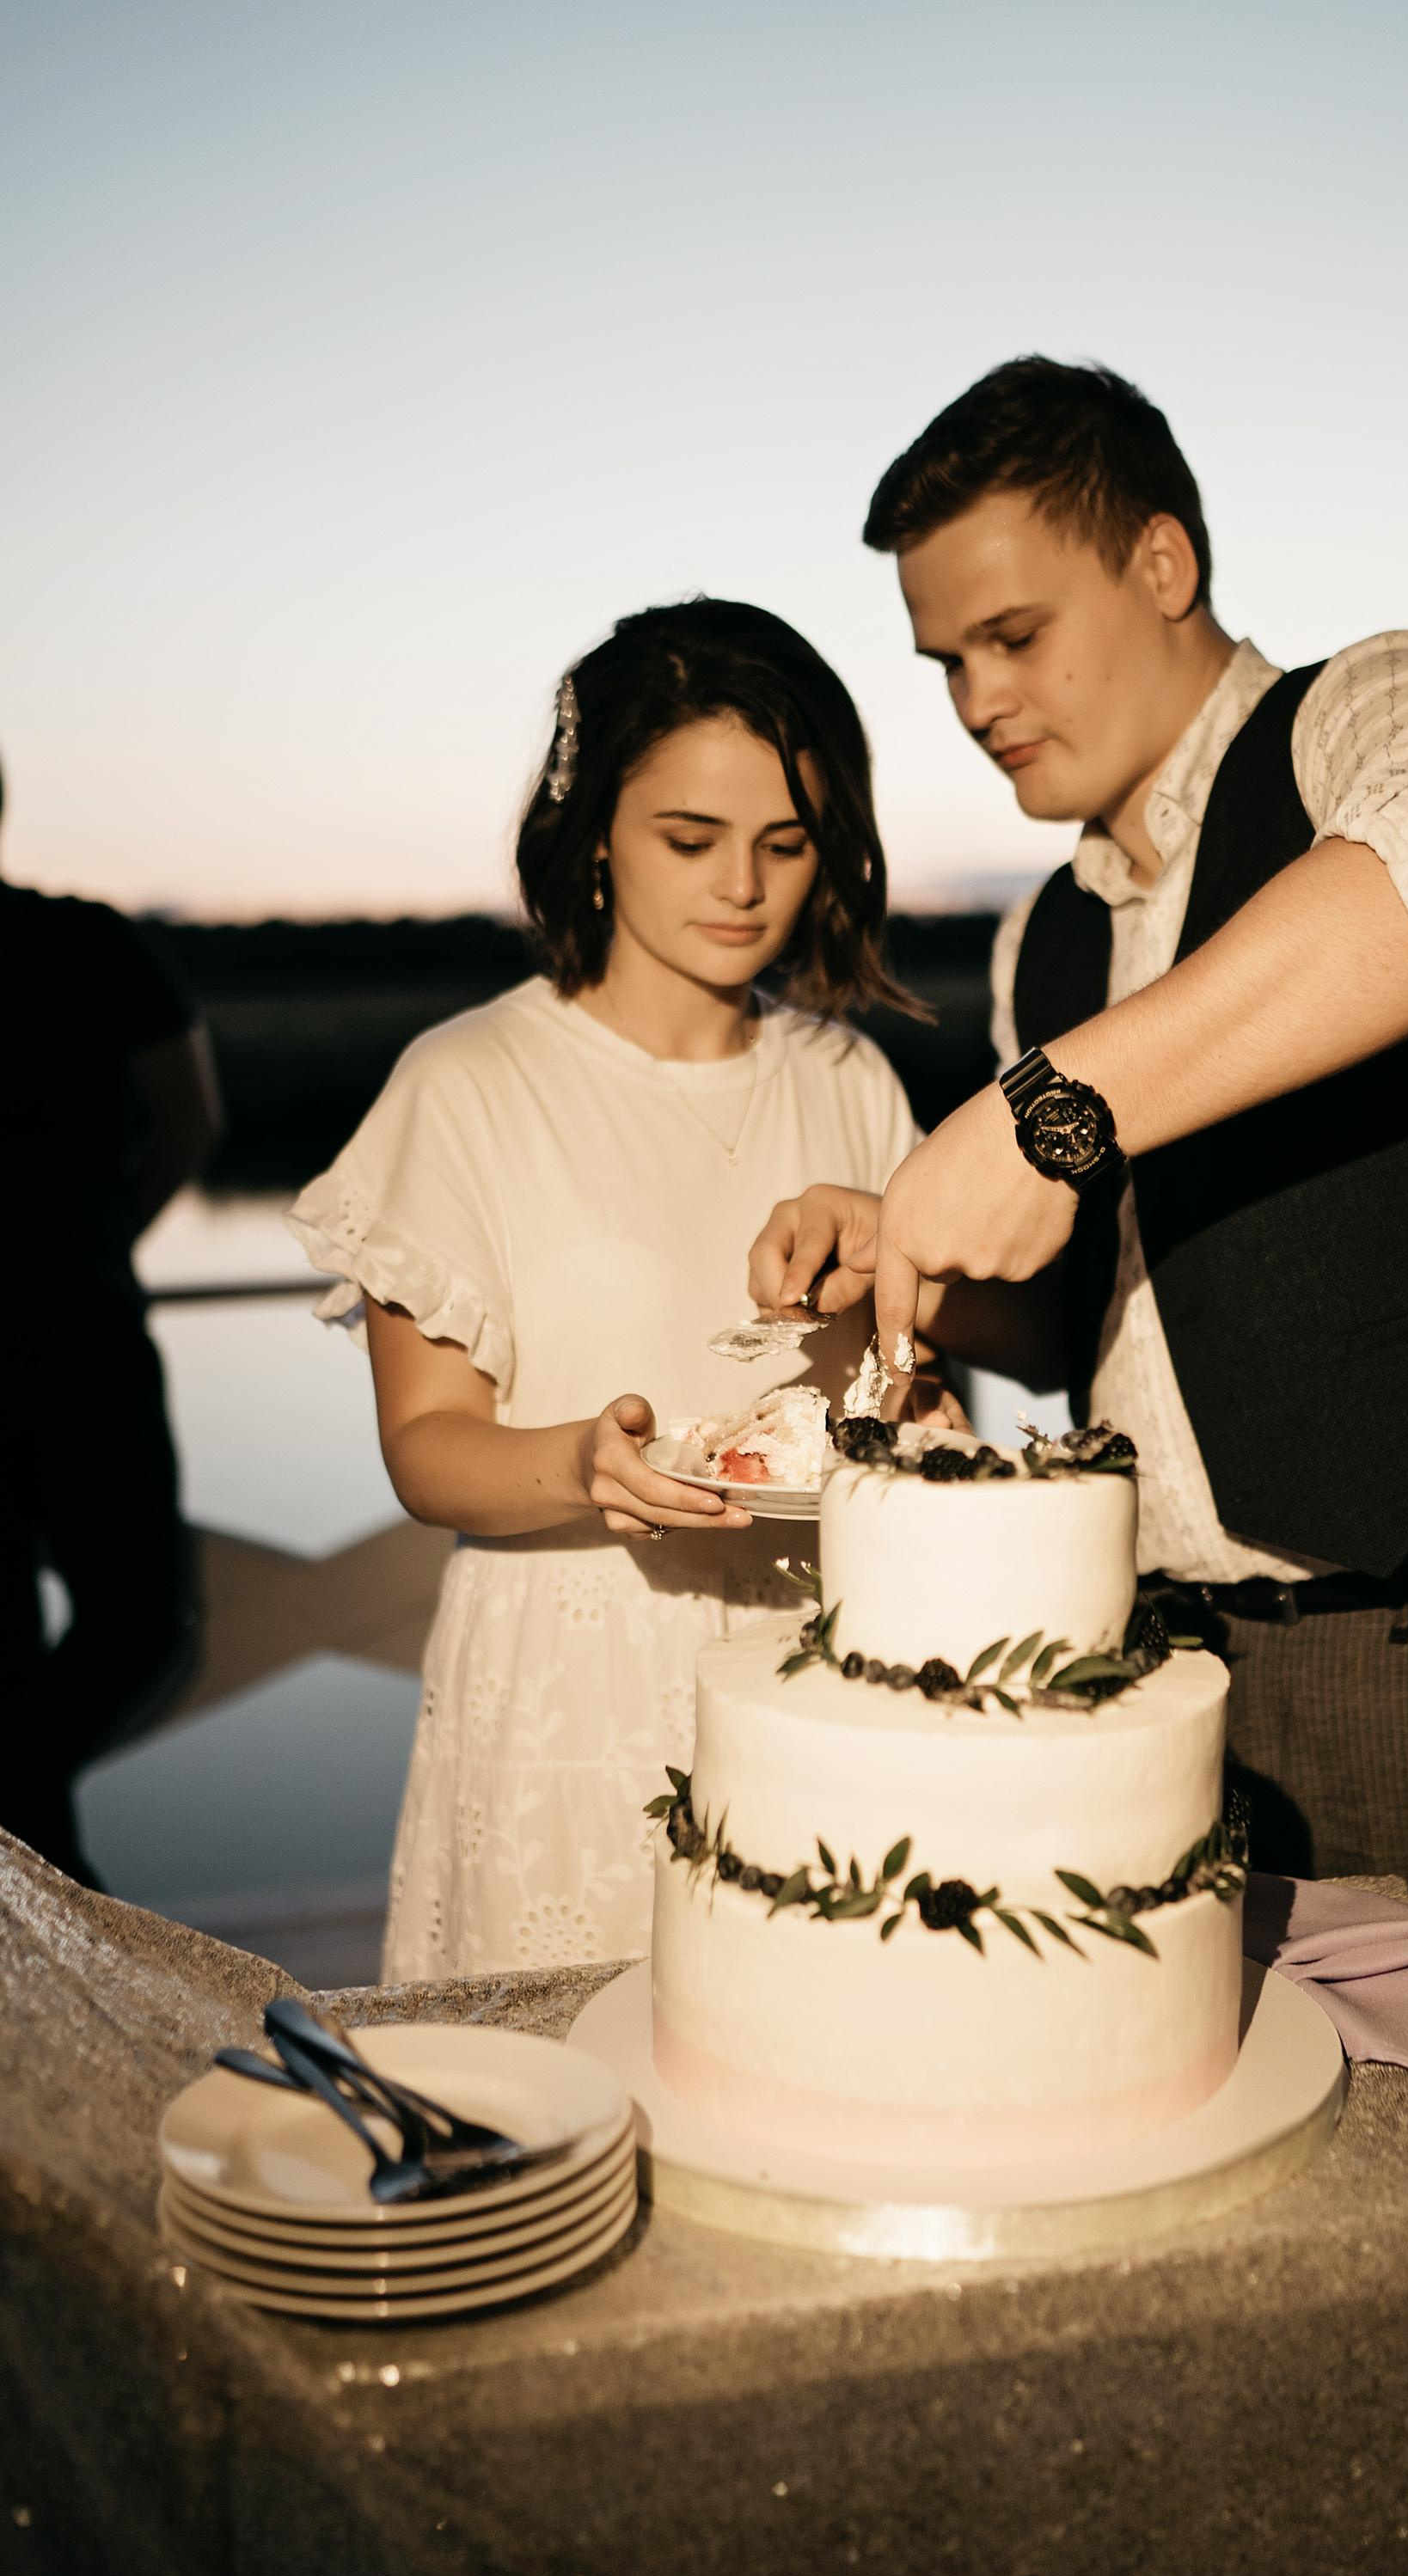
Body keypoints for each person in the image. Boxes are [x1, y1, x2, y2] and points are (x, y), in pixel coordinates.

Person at [751, 359, 1408, 2065]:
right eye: (946, 661)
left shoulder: (1368, 707)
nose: (975, 698)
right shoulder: (1047, 940)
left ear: (1162, 563)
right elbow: (1099, 1311)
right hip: (1168, 1688)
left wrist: (1037, 1118)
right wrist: (919, 1257)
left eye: (1013, 635)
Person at [290, 600, 934, 1981]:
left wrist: (920, 1414)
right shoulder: (464, 1083)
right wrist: (589, 1465)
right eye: (691, 841)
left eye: (786, 842)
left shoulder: (851, 1081)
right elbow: (427, 1448)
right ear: (592, 836)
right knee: (562, 2123)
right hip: (569, 1684)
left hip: (823, 1664)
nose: (744, 888)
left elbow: (918, 1384)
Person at [0, 754, 221, 1884]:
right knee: (146, 1625)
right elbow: (193, 1115)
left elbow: (194, 1114)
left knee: (136, 1628)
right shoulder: (89, 943)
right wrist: (101, 1234)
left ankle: (33, 1855)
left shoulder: (92, 942)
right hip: (81, 1334)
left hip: (80, 1337)